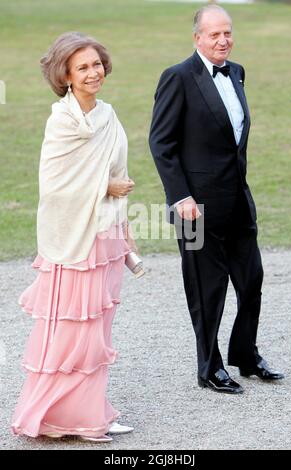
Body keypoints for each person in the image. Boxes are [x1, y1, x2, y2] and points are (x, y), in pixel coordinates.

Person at [149, 5, 284, 394]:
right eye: (214, 35)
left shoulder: (237, 72)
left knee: (251, 279)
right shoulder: (177, 77)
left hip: (238, 200)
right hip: (195, 209)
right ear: (197, 38)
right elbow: (161, 143)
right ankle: (209, 367)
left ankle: (245, 354)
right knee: (207, 289)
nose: (223, 40)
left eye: (227, 33)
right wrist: (180, 197)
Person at [11, 32, 137, 441]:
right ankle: (52, 414)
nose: (93, 72)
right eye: (82, 67)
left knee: (98, 329)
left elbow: (117, 170)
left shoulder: (109, 115)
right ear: (65, 75)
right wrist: (106, 187)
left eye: (96, 63)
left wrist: (124, 224)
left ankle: (90, 412)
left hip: (106, 237)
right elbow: (53, 187)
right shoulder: (61, 122)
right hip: (73, 242)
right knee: (73, 330)